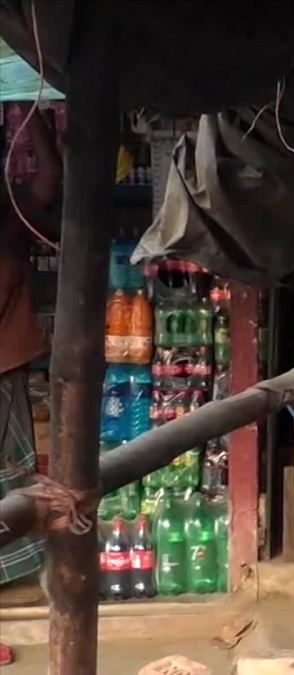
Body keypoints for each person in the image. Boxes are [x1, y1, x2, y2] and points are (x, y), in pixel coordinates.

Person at [0, 104, 61, 667]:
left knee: (11, 482)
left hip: (4, 368)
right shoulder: (10, 221)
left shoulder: (9, 216)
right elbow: (47, 180)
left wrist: (34, 115)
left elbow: (47, 180)